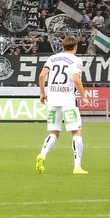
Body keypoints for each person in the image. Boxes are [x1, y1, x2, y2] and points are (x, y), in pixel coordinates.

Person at [36, 35, 91, 175]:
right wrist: (83, 97)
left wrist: (42, 93)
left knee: (54, 132)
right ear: (76, 47)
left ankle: (42, 154)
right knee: (76, 132)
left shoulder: (52, 58)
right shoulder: (76, 60)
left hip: (53, 100)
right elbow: (76, 80)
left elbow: (42, 75)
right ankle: (77, 166)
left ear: (63, 46)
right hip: (68, 100)